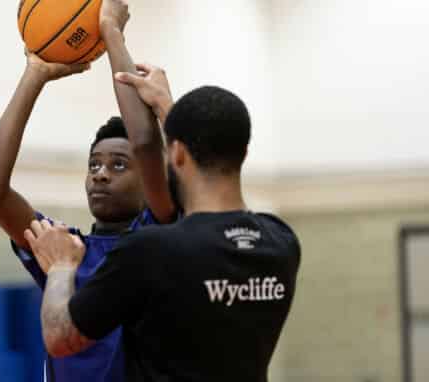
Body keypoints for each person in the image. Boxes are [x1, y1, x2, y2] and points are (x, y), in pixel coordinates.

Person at [24, 69, 302, 381]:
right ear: (244, 153)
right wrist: (167, 108)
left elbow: (60, 337)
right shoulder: (281, 242)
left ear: (178, 153)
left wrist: (61, 267)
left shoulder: (151, 250)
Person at [0, 0, 174, 381]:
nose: (100, 174)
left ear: (149, 179)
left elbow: (147, 143)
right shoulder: (63, 251)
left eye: (119, 165)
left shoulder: (160, 236)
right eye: (94, 164)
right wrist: (35, 73)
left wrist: (112, 32)